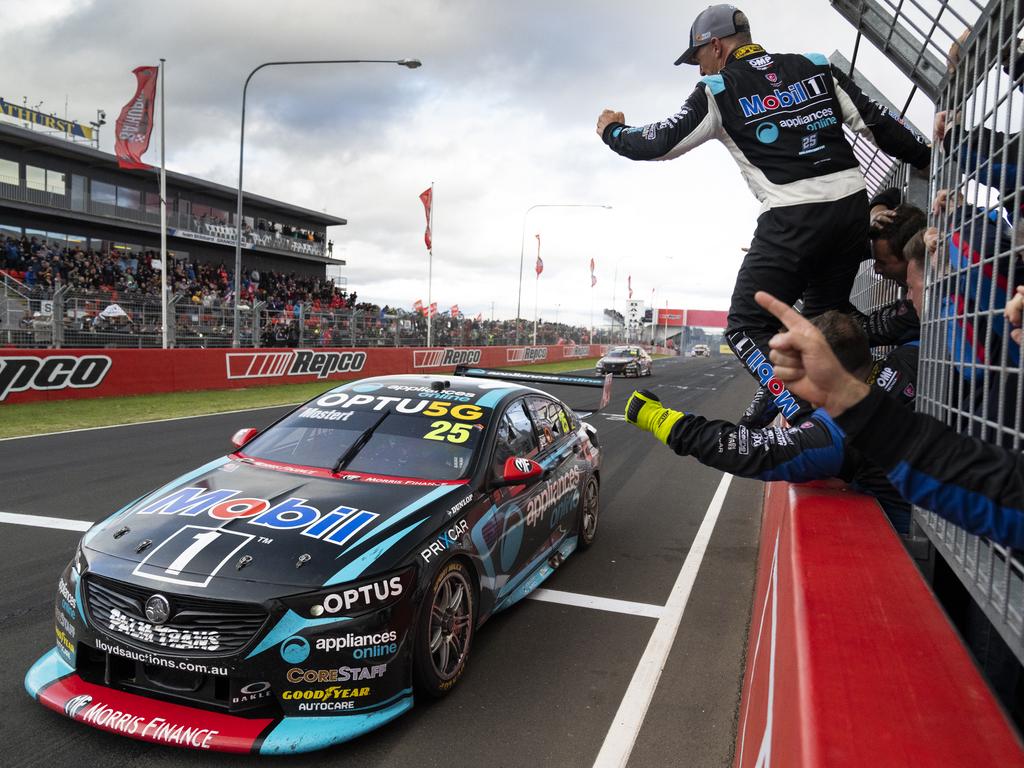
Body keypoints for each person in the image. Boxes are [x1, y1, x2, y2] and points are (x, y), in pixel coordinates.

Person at [596, 4, 931, 421]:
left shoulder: (718, 88)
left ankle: (801, 414)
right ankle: (855, 403)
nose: (699, 70)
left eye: (697, 58)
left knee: (743, 326)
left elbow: (660, 142)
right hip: (850, 213)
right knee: (818, 326)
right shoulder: (816, 66)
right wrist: (925, 158)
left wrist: (613, 131)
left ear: (715, 46)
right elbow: (879, 124)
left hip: (793, 217)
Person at [748, 289, 1024, 548]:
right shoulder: (917, 353)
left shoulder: (836, 429)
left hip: (931, 539)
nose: (907, 296)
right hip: (959, 529)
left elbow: (761, 454)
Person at [625, 310, 919, 530]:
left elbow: (753, 451)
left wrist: (658, 418)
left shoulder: (843, 429)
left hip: (914, 553)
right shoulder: (915, 356)